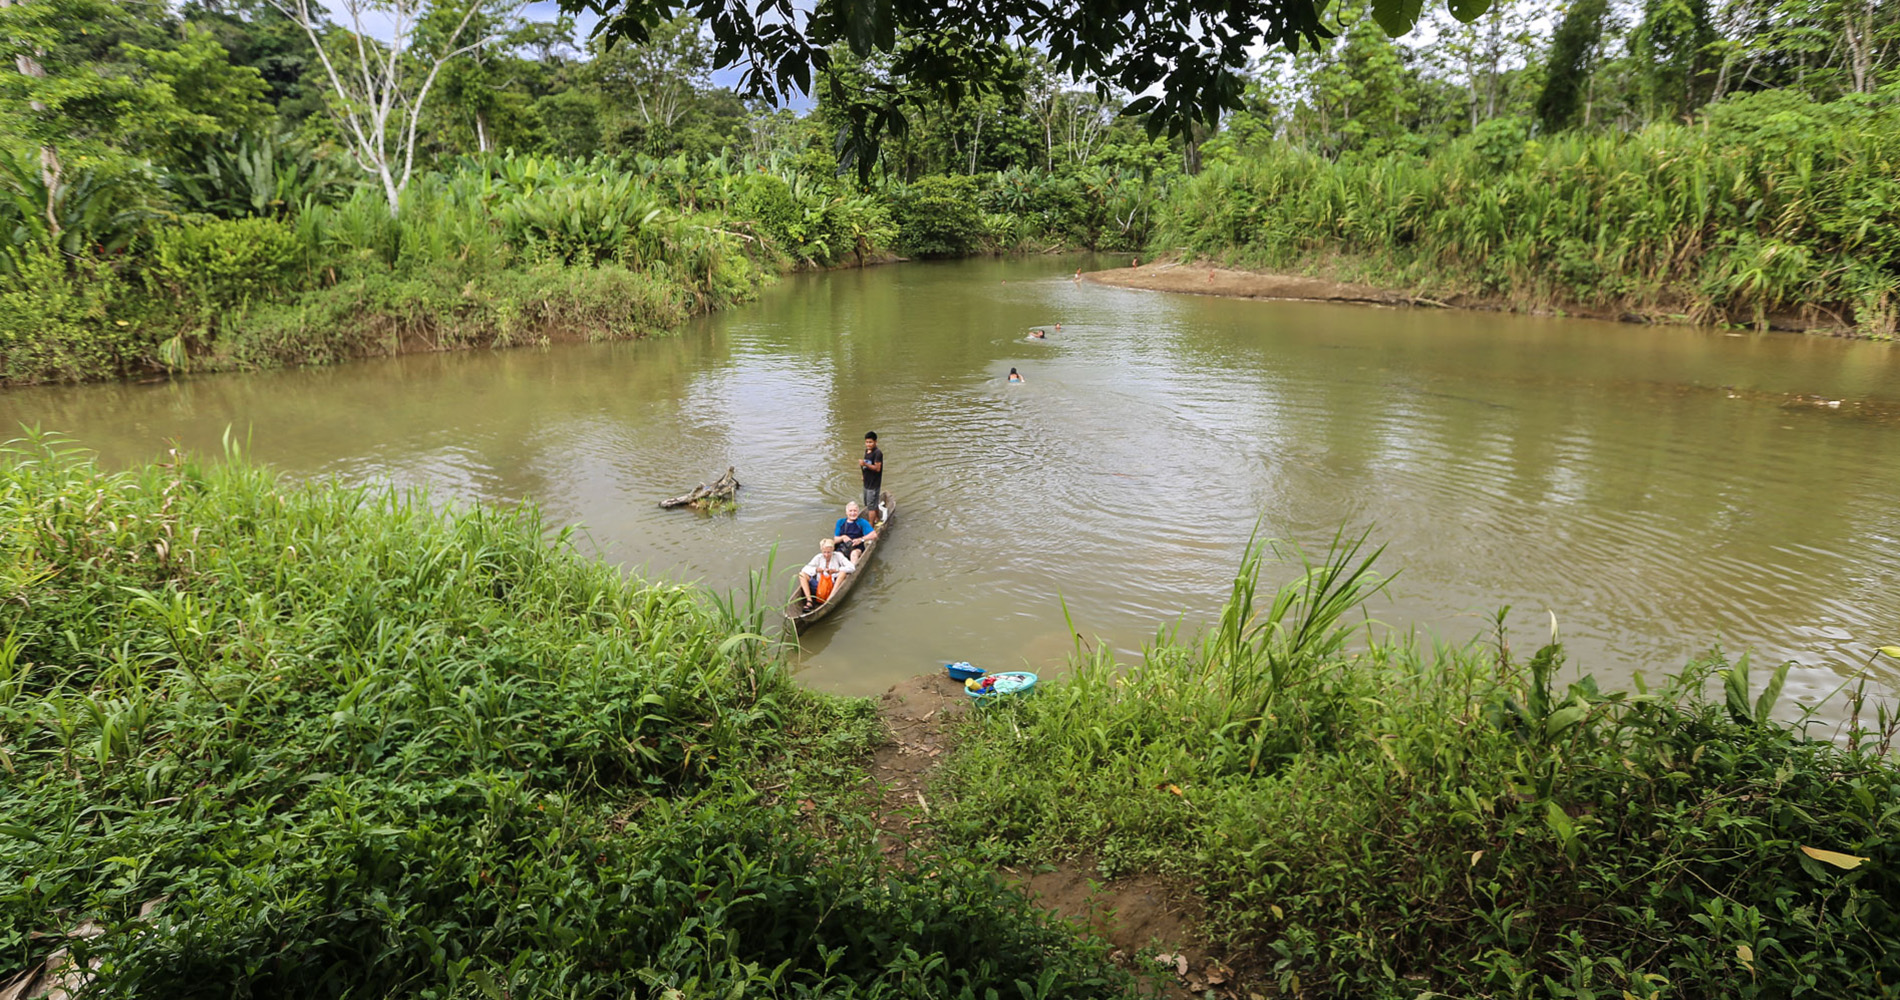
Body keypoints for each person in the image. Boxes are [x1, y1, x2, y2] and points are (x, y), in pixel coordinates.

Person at [797, 537, 853, 609]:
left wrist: (836, 570)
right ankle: (809, 601)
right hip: (819, 586)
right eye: (824, 552)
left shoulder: (838, 556)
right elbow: (805, 569)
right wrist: (816, 570)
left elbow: (851, 567)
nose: (826, 555)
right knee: (802, 574)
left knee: (843, 573)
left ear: (833, 550)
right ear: (821, 551)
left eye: (829, 552)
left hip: (832, 586)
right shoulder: (818, 557)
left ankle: (830, 598)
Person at [859, 431, 883, 523]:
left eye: (870, 442)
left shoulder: (877, 453)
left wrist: (864, 463)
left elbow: (877, 468)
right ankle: (877, 518)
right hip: (867, 482)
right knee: (871, 503)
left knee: (871, 507)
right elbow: (866, 465)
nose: (868, 444)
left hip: (873, 483)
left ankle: (871, 527)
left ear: (875, 442)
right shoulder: (867, 451)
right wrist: (863, 475)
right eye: (867, 442)